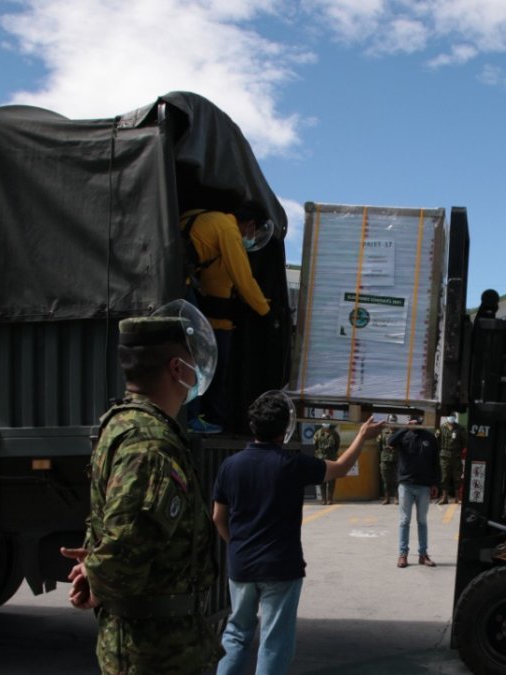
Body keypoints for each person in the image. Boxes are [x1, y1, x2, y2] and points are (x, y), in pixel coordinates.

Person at [59, 301, 222, 675]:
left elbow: (112, 524)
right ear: (177, 369)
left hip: (155, 646)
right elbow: (125, 547)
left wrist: (93, 570)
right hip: (156, 652)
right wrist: (99, 576)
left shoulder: (123, 426)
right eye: (193, 362)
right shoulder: (150, 445)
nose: (199, 371)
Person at [211, 392, 384, 675]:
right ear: (285, 430)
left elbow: (219, 516)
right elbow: (340, 468)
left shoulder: (230, 466)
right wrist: (362, 435)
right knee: (274, 640)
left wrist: (236, 545)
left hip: (241, 565)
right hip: (281, 566)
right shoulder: (292, 464)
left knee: (236, 632)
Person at [180, 206, 273, 433]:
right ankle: (191, 417)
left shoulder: (209, 219)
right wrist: (266, 311)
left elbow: (217, 286)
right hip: (178, 282)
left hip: (176, 278)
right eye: (255, 233)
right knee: (197, 352)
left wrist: (221, 324)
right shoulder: (228, 230)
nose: (252, 239)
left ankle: (194, 415)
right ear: (250, 225)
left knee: (195, 348)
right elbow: (243, 278)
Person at [391, 413, 440, 568]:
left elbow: (435, 462)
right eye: (413, 421)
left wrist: (435, 484)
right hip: (406, 484)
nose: (415, 423)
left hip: (424, 486)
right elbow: (390, 441)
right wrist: (405, 428)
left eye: (418, 421)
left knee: (422, 521)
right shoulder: (403, 435)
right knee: (404, 521)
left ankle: (423, 555)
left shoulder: (430, 438)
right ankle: (402, 555)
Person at [436, 415, 467, 504]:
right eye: (450, 416)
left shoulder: (460, 428)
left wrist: (459, 451)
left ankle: (457, 498)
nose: (451, 418)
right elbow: (437, 440)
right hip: (444, 456)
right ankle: (444, 497)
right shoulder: (441, 428)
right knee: (444, 476)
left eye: (453, 416)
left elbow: (464, 442)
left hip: (456, 456)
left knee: (457, 476)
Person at [312, 417, 341, 505]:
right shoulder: (318, 433)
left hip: (331, 458)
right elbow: (315, 446)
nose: (325, 423)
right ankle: (323, 499)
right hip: (321, 459)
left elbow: (337, 445)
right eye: (324, 421)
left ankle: (330, 499)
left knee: (331, 479)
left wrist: (332, 454)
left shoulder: (334, 434)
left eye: (327, 421)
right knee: (322, 479)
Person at [379, 415, 399, 504]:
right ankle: (386, 498)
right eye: (391, 422)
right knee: (386, 480)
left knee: (396, 479)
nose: (392, 425)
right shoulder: (383, 432)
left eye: (394, 422)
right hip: (385, 459)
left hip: (397, 459)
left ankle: (396, 498)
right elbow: (379, 446)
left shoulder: (399, 433)